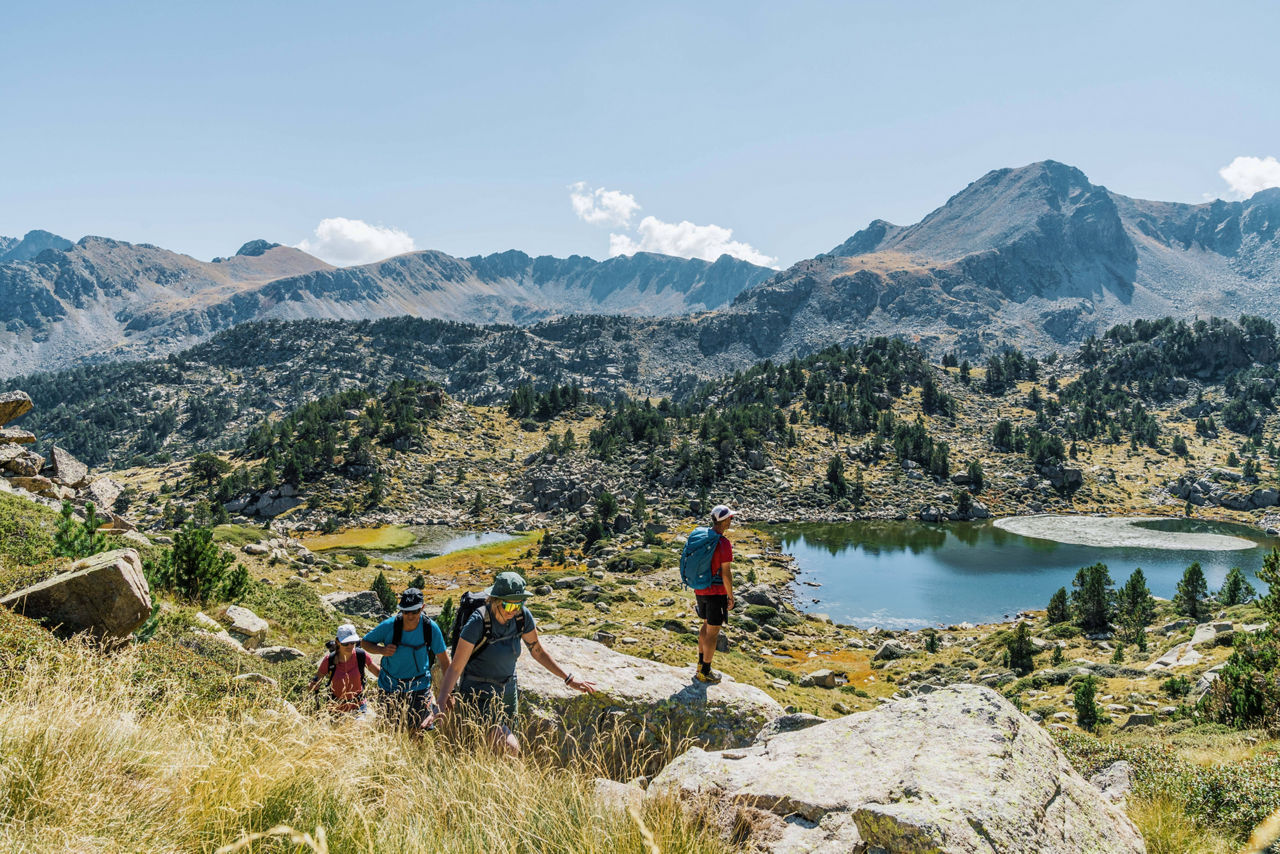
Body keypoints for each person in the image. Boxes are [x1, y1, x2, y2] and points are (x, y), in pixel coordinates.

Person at [436, 571, 595, 755]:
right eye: (509, 605)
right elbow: (456, 666)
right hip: (479, 693)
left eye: (519, 604)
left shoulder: (521, 617)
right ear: (495, 599)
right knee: (510, 748)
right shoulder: (478, 621)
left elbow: (537, 651)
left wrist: (568, 678)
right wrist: (441, 701)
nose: (514, 610)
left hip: (508, 692)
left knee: (492, 750)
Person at [361, 588, 450, 732]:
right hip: (390, 685)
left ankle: (414, 755)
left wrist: (448, 693)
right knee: (388, 730)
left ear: (422, 608)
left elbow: (445, 662)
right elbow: (365, 643)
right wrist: (381, 650)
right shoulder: (389, 625)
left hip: (419, 685)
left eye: (414, 611)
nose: (409, 616)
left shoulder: (430, 628)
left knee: (417, 730)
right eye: (405, 611)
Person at [694, 504, 737, 684]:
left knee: (705, 625)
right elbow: (726, 573)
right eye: (730, 518)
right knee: (713, 632)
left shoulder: (704, 537)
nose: (731, 521)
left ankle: (699, 664)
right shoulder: (723, 543)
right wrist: (730, 596)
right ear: (724, 520)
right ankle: (705, 671)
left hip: (700, 588)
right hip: (716, 591)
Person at [309, 622, 381, 718]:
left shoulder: (361, 656)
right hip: (336, 708)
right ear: (337, 642)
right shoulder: (329, 660)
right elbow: (317, 678)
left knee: (358, 729)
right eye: (345, 643)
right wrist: (312, 685)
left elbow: (378, 673)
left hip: (358, 706)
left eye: (353, 642)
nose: (350, 646)